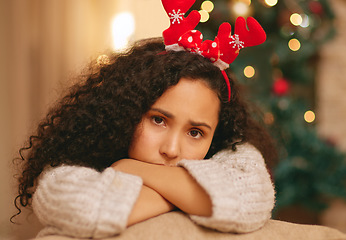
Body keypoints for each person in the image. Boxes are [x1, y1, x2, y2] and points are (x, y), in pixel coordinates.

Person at [12, 37, 276, 238]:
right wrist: (186, 196)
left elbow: (252, 197)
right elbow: (87, 208)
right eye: (158, 120)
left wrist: (131, 168)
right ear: (125, 113)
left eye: (195, 132)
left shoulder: (232, 152)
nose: (171, 149)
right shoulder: (63, 171)